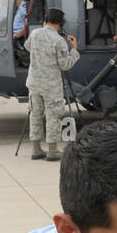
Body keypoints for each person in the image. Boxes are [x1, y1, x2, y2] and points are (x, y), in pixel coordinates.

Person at [25, 8, 79, 161]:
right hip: (51, 85)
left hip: (34, 83)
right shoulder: (59, 41)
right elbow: (65, 65)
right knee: (53, 116)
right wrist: (74, 50)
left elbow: (27, 47)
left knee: (35, 114)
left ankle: (36, 149)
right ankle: (53, 150)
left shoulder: (35, 33)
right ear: (60, 23)